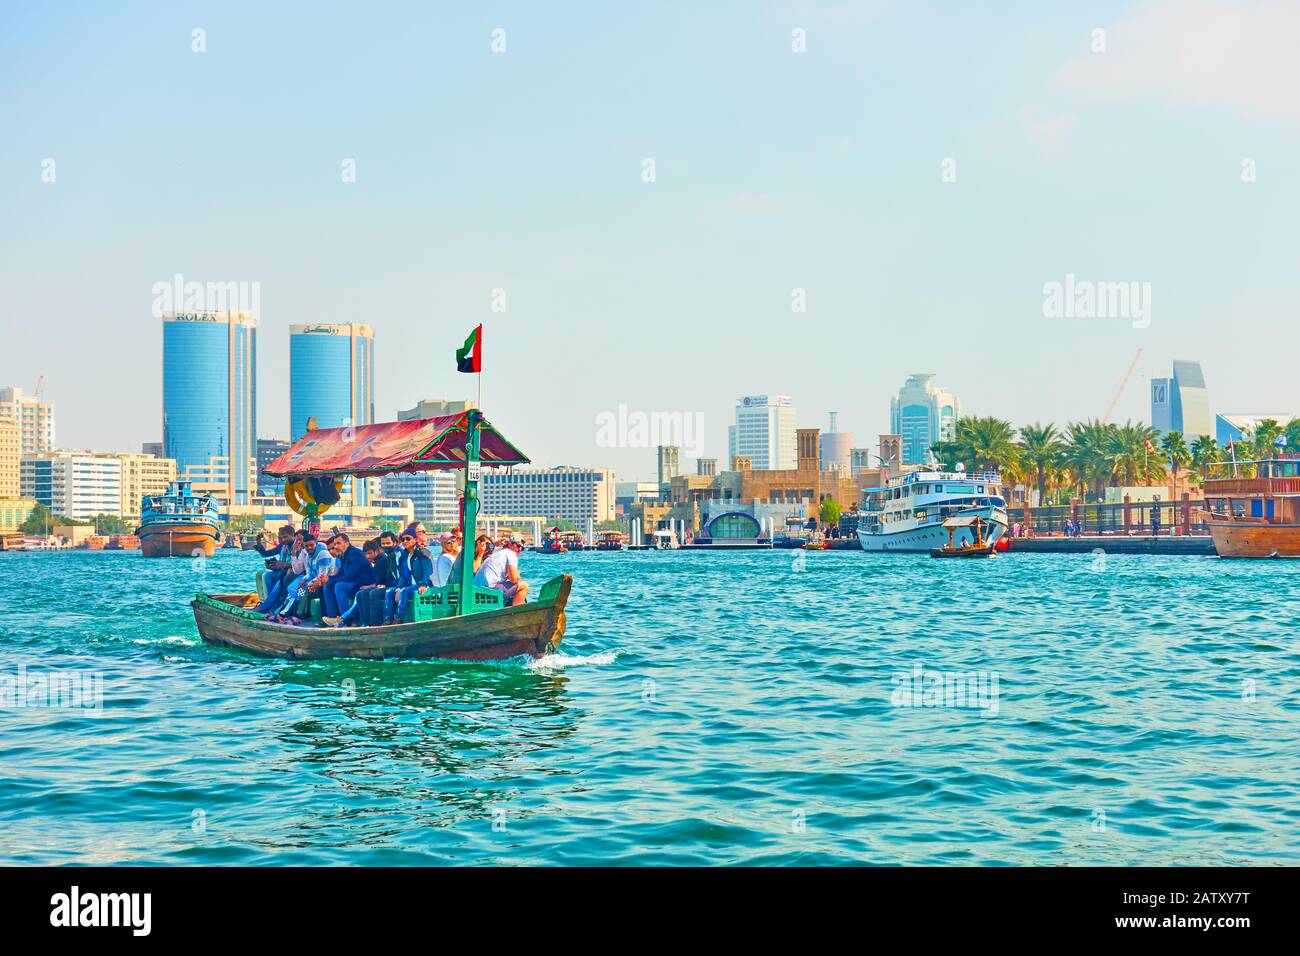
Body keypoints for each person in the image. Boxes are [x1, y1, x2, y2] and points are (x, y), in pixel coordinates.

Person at [322, 532, 374, 626]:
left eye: (338, 543)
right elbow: (341, 574)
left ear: (347, 543)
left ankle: (345, 621)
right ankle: (333, 617)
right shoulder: (343, 555)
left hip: (363, 584)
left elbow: (350, 576)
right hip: (354, 583)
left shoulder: (355, 553)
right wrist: (328, 579)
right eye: (335, 544)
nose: (336, 546)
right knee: (327, 586)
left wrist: (330, 580)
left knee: (339, 586)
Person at [384, 530, 435, 624]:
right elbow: (404, 576)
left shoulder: (423, 553)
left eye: (408, 538)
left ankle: (399, 619)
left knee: (404, 591)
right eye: (403, 539)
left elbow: (428, 571)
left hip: (422, 585)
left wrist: (423, 584)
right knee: (389, 592)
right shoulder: (404, 556)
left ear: (415, 539)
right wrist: (398, 588)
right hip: (410, 585)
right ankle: (387, 620)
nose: (405, 541)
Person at [474, 533, 529, 606]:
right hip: (487, 590)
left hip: (476, 589)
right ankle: (518, 612)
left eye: (522, 548)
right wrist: (519, 579)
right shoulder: (511, 554)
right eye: (518, 546)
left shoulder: (499, 553)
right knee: (523, 586)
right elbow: (514, 579)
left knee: (514, 586)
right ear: (510, 544)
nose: (519, 549)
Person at [255, 526, 298, 613]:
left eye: (285, 537)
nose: (283, 539)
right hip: (282, 571)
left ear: (293, 535)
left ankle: (264, 606)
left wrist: (285, 565)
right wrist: (272, 566)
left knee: (281, 580)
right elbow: (265, 554)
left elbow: (299, 565)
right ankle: (274, 605)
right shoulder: (282, 546)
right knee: (267, 576)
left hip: (292, 571)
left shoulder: (297, 546)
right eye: (281, 537)